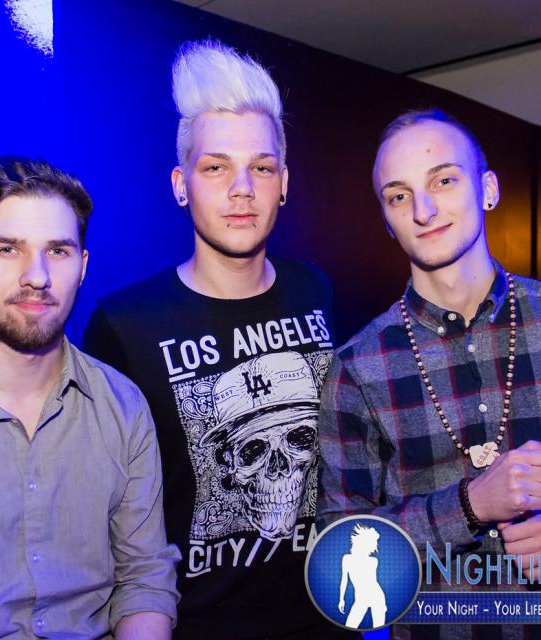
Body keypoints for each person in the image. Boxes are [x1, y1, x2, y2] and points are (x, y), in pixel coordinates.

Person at [83, 41, 346, 639]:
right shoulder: (125, 322)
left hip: (326, 617)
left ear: (283, 183)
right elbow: (94, 511)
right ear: (181, 184)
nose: (241, 188)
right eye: (215, 167)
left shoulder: (315, 290)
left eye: (262, 167)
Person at [318, 108, 541, 639]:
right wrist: (469, 505)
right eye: (399, 196)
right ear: (387, 220)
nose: (423, 210)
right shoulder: (358, 367)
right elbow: (338, 556)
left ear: (487, 189)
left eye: (444, 180)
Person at [0, 156, 179, 639]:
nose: (36, 276)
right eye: (7, 249)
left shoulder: (123, 407)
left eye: (57, 251)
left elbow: (144, 580)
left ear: (82, 267)